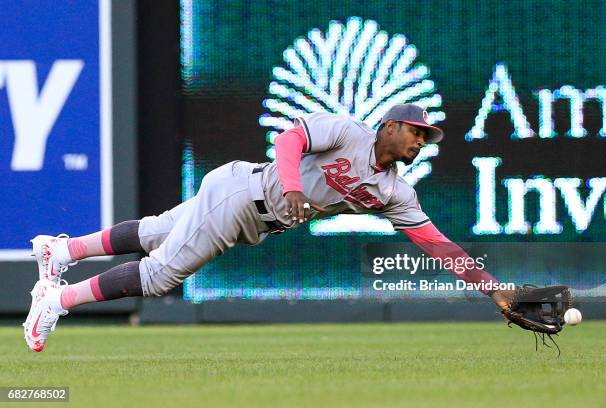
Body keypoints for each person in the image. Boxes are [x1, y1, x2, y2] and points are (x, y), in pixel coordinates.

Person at [23, 103, 512, 352]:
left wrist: (494, 291)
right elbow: (288, 140)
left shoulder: (395, 193)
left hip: (250, 210)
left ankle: (62, 254)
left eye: (426, 137)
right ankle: (55, 300)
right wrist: (296, 187)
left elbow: (439, 245)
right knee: (158, 276)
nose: (421, 141)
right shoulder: (347, 131)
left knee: (154, 231)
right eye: (415, 131)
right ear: (389, 126)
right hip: (244, 195)